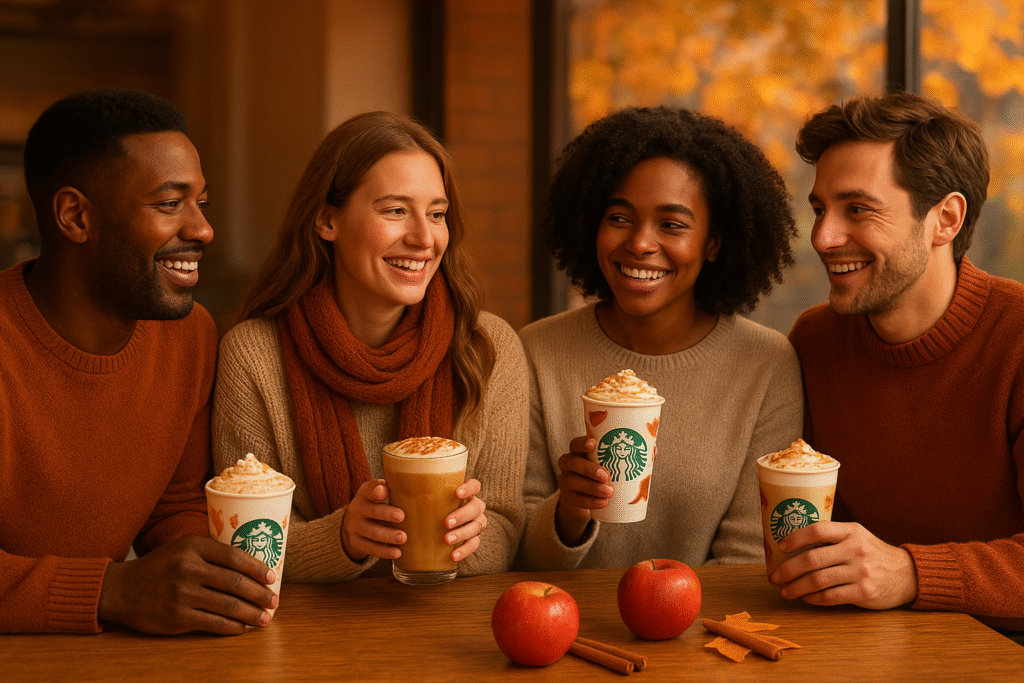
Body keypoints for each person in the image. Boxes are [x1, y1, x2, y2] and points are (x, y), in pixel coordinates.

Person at [0, 88, 277, 635]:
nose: (202, 230)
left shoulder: (189, 337)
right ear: (75, 217)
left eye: (202, 203)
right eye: (170, 204)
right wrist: (112, 590)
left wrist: (213, 579)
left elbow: (171, 507)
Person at [212, 112, 528, 582]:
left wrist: (469, 537)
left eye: (437, 214)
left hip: (449, 631)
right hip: (307, 640)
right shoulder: (254, 355)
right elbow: (245, 546)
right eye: (395, 211)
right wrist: (341, 538)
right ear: (326, 220)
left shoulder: (488, 347)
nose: (424, 238)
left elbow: (504, 531)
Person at [517, 106, 804, 571]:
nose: (640, 243)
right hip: (561, 632)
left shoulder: (766, 364)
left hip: (705, 633)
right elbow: (517, 551)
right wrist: (568, 511)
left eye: (672, 225)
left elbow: (750, 559)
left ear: (714, 243)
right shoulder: (537, 352)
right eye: (619, 218)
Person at [783, 92, 1024, 635]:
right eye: (820, 209)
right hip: (861, 651)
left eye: (858, 209)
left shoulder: (1017, 338)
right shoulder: (814, 341)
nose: (823, 238)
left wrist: (912, 573)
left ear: (945, 219)